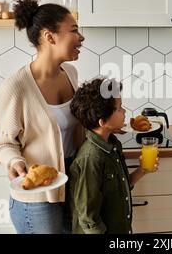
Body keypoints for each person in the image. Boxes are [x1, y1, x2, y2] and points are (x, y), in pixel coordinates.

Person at [0, 0, 85, 234]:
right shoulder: (17, 87)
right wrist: (15, 161)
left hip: (71, 186)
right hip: (37, 198)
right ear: (49, 37)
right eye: (73, 31)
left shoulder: (71, 73)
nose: (81, 37)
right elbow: (2, 144)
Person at [69, 78, 158, 234]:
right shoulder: (90, 159)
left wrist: (142, 170)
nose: (124, 112)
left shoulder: (113, 144)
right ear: (103, 121)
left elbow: (119, 188)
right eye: (119, 108)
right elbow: (89, 220)